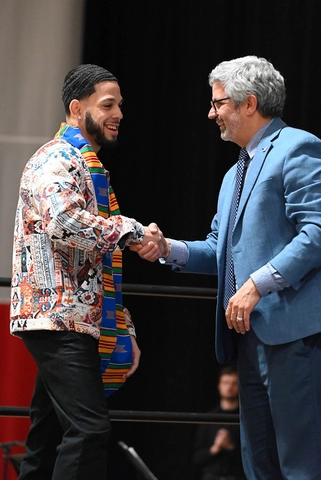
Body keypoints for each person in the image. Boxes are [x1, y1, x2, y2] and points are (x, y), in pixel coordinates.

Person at [132, 56, 321, 479]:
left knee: (301, 465)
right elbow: (222, 249)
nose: (211, 112)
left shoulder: (298, 148)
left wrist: (258, 282)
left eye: (219, 103)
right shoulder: (234, 172)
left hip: (295, 338)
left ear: (249, 103)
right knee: (259, 467)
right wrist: (168, 249)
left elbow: (318, 232)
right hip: (249, 342)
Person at [10, 64, 166, 480]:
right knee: (89, 428)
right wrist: (131, 230)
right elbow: (64, 222)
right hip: (57, 319)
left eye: (120, 105)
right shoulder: (56, 159)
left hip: (74, 319)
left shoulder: (86, 165)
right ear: (77, 108)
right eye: (108, 105)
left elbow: (98, 263)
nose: (118, 114)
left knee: (46, 439)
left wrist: (123, 326)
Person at [193, 365, 245, 480]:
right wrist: (215, 448)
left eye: (234, 383)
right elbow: (197, 457)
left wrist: (230, 446)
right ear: (219, 386)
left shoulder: (246, 420)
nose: (229, 387)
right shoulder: (208, 418)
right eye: (226, 383)